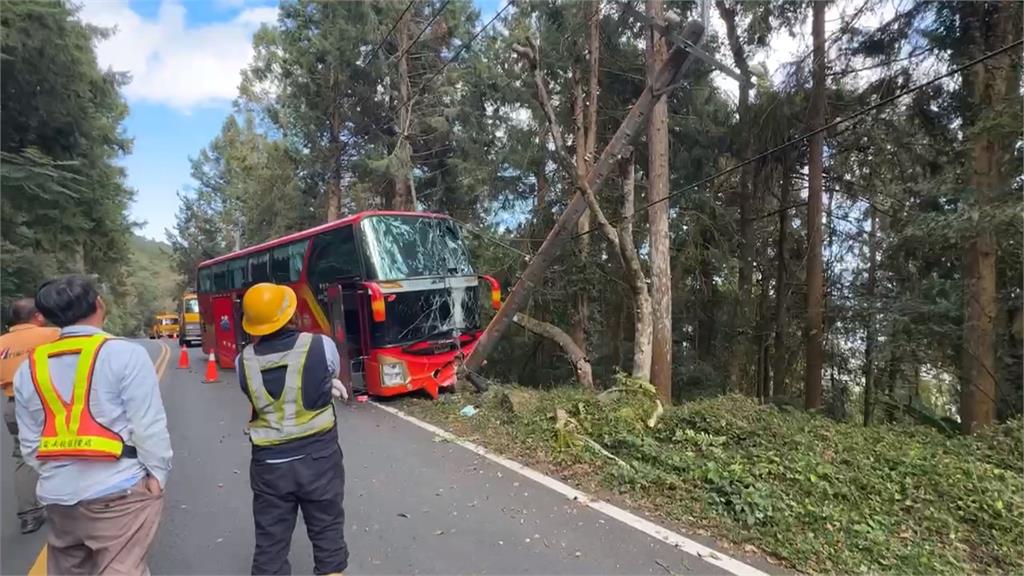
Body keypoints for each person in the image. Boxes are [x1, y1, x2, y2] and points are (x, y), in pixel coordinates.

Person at [14, 274, 172, 575]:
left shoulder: (29, 367)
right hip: (118, 492)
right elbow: (148, 425)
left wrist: (55, 475)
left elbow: (31, 442)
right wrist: (157, 476)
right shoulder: (125, 354)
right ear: (99, 303)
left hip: (58, 497)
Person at [237, 282, 348, 576]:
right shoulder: (320, 346)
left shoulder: (242, 362)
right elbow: (329, 373)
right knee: (327, 533)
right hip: (320, 460)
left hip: (270, 467)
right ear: (289, 314)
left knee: (270, 544)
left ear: (253, 325)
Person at [0, 298, 59, 533]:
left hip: (14, 406)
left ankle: (29, 516)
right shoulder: (54, 335)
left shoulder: (1, 342)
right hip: (51, 403)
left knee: (23, 457)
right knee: (65, 451)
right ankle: (68, 507)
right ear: (38, 317)